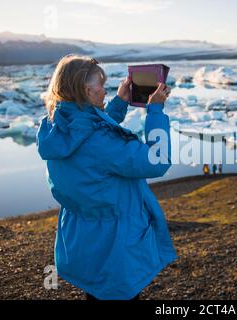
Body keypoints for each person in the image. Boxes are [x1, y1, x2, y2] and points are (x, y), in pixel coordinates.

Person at [36, 55, 177, 300]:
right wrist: (155, 111)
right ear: (87, 90)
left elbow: (89, 129)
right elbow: (157, 160)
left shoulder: (58, 127)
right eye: (101, 85)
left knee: (96, 291)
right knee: (117, 294)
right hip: (115, 245)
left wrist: (120, 103)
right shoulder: (101, 142)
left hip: (83, 238)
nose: (105, 90)